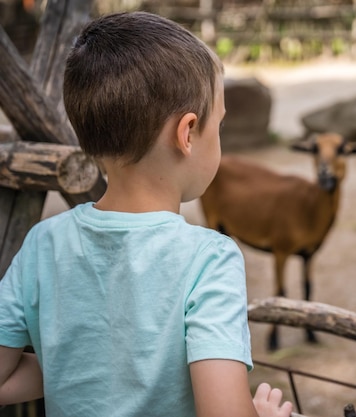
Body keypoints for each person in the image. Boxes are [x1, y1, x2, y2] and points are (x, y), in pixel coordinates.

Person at [0, 11, 292, 417]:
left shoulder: (43, 243)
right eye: (218, 126)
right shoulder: (209, 258)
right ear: (187, 133)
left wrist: (82, 369)